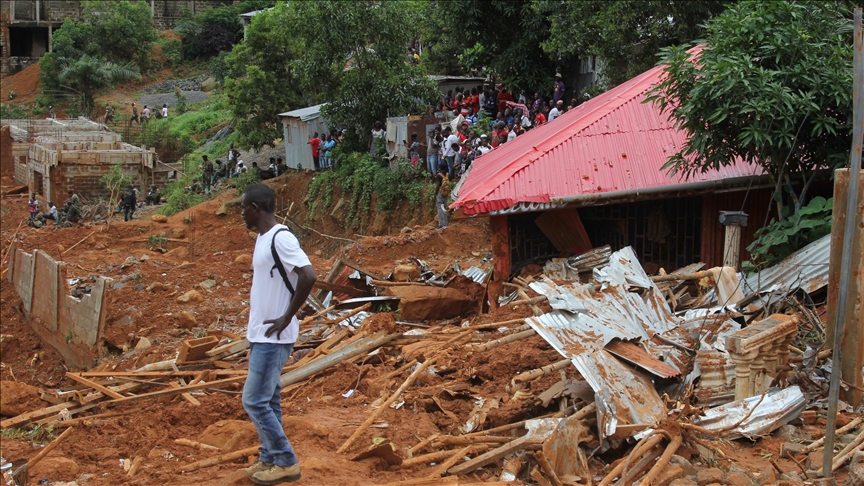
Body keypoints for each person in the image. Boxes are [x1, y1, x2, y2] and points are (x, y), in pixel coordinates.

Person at [238, 183, 315, 485]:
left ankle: (285, 461)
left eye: (243, 208)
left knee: (254, 400)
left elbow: (309, 275)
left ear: (255, 209)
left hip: (274, 336)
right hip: (262, 334)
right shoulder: (262, 238)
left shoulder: (281, 238)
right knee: (268, 400)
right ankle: (269, 458)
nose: (241, 214)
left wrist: (287, 316)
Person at [434, 163, 450, 229]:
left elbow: (437, 186)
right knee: (444, 208)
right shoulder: (447, 174)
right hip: (446, 193)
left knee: (440, 208)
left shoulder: (439, 176)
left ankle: (441, 224)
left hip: (440, 193)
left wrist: (434, 195)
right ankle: (446, 224)